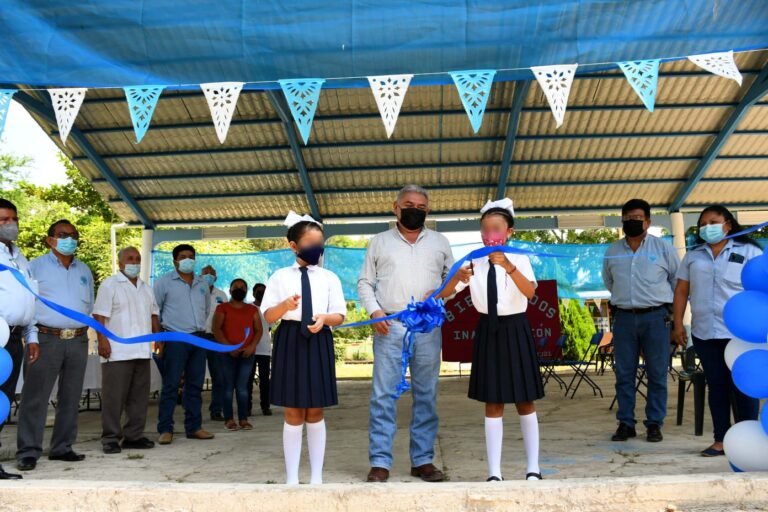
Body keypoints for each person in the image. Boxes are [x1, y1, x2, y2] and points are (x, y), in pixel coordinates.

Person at [441, 198, 544, 481]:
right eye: (485, 229)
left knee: (525, 400)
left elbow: (531, 293)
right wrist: (458, 276)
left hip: (516, 328)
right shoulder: (474, 259)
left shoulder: (519, 257)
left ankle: (533, 468)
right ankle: (494, 472)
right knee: (493, 401)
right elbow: (445, 293)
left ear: (509, 231)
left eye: (496, 228)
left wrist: (509, 266)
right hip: (488, 328)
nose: (490, 235)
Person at [358, 185, 454, 483]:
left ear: (428, 210)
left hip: (427, 327)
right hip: (390, 325)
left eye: (422, 206)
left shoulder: (440, 242)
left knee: (426, 393)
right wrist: (375, 311)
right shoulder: (379, 242)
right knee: (383, 395)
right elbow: (364, 282)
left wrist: (439, 296)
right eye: (409, 204)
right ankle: (380, 461)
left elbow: (453, 282)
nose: (416, 209)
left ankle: (423, 459)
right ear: (395, 207)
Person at [262, 211, 346, 485]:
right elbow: (268, 316)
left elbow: (339, 315)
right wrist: (284, 306)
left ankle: (317, 478)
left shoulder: (329, 277)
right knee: (293, 411)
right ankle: (291, 478)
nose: (316, 249)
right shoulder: (279, 277)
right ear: (293, 246)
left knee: (315, 410)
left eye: (319, 242)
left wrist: (324, 319)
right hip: (290, 340)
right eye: (310, 243)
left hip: (319, 338)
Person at [672, 205, 762, 457]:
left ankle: (750, 439)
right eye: (702, 223)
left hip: (741, 334)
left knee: (743, 386)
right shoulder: (693, 256)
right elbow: (681, 291)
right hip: (705, 332)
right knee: (717, 385)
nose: (707, 227)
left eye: (713, 221)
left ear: (728, 225)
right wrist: (678, 324)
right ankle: (721, 439)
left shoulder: (749, 251)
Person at [17, 219, 94, 472]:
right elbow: (27, 304)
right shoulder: (34, 267)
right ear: (50, 239)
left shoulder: (84, 270)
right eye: (63, 234)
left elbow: (89, 306)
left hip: (79, 339)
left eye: (73, 235)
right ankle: (28, 451)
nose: (69, 239)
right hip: (45, 339)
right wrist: (31, 338)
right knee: (35, 398)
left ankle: (62, 447)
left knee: (71, 397)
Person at [602, 199, 679, 443]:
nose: (631, 222)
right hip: (624, 317)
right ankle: (626, 423)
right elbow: (609, 282)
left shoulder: (663, 248)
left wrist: (676, 319)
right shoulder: (613, 251)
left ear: (647, 221)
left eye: (637, 218)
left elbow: (677, 283)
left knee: (657, 373)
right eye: (627, 219)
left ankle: (654, 424)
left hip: (657, 317)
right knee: (624, 373)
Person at [92, 246, 160, 454]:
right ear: (120, 262)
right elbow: (99, 316)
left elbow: (154, 315)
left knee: (139, 397)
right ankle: (111, 437)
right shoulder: (110, 285)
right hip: (117, 351)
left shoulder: (146, 287)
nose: (134, 262)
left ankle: (134, 435)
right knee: (114, 398)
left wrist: (158, 338)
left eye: (137, 259)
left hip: (141, 351)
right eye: (130, 259)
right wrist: (102, 341)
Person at [154, 244, 215, 444]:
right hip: (175, 338)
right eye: (183, 256)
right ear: (175, 261)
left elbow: (205, 310)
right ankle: (165, 429)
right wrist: (160, 338)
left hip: (198, 338)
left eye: (191, 256)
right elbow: (156, 311)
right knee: (171, 385)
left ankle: (194, 427)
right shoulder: (164, 283)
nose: (187, 259)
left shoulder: (202, 284)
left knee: (195, 386)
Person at [0, 199, 37, 479]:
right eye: (3, 220)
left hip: (13, 339)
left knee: (3, 401)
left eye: (13, 218)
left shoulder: (19, 257)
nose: (10, 224)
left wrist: (31, 336)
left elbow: (29, 299)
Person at [211, 278, 262, 431]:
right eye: (236, 287)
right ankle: (229, 419)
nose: (239, 289)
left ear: (246, 291)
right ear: (230, 290)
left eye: (242, 287)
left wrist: (252, 346)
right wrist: (228, 347)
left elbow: (259, 330)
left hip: (247, 354)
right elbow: (216, 329)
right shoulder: (222, 308)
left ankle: (244, 419)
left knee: (242, 388)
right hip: (227, 354)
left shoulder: (252, 310)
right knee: (228, 388)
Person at [202, 265, 227, 421]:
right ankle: (190, 410)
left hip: (216, 338)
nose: (209, 275)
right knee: (194, 376)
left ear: (216, 278)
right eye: (206, 273)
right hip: (197, 337)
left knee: (219, 376)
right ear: (200, 276)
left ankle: (216, 409)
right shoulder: (194, 291)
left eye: (212, 273)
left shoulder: (221, 295)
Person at [248, 282, 273, 417]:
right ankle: (247, 407)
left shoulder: (268, 309)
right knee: (248, 380)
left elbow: (269, 327)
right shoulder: (248, 308)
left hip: (264, 349)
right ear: (253, 293)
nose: (261, 294)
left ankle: (265, 406)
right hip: (251, 349)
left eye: (263, 291)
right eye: (258, 291)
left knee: (265, 380)